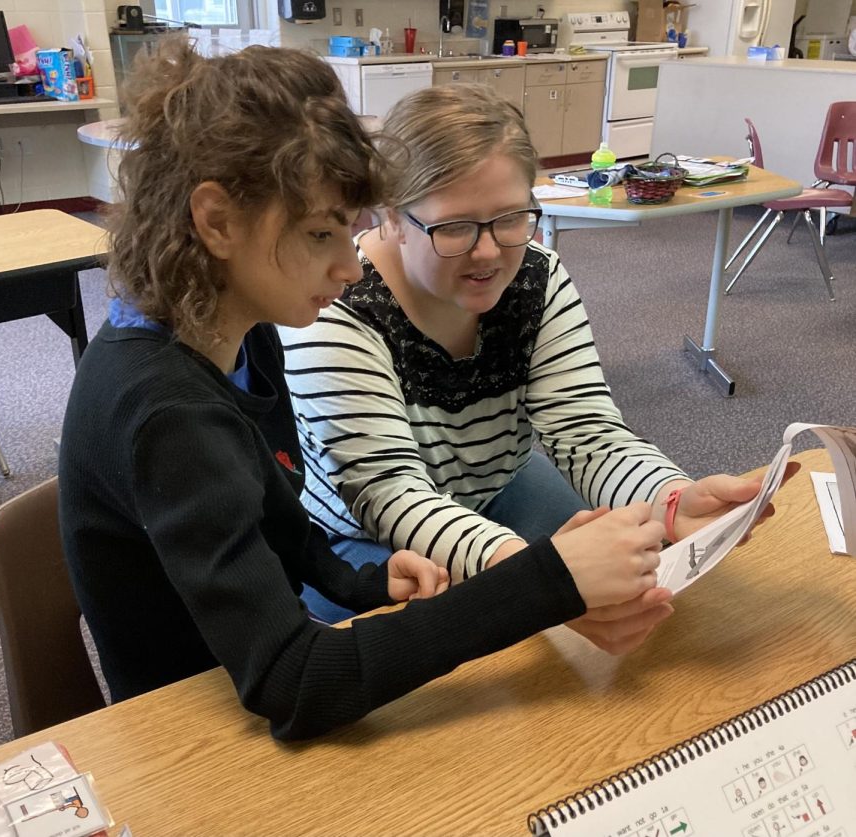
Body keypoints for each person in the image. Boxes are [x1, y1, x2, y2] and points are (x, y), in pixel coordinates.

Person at [58, 38, 669, 742]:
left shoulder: (238, 329)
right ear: (217, 221)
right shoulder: (165, 409)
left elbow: (273, 515)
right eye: (322, 234)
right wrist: (544, 584)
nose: (351, 267)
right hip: (192, 729)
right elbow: (294, 680)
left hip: (246, 659)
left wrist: (360, 585)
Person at [279, 83, 784, 638]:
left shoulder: (535, 277)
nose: (491, 252)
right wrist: (535, 580)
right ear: (394, 218)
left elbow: (586, 432)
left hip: (500, 483)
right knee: (458, 671)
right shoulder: (337, 309)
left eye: (512, 218)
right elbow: (387, 491)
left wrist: (672, 500)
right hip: (365, 533)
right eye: (455, 227)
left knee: (636, 589)